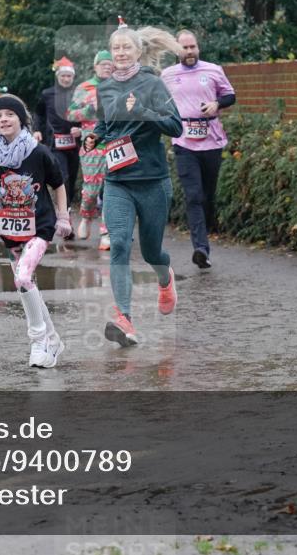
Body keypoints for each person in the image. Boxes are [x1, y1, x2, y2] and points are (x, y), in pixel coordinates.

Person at [83, 19, 183, 347]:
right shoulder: (106, 88)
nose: (121, 52)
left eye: (126, 47)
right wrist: (94, 137)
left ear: (138, 51)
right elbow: (106, 127)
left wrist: (142, 111)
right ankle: (124, 319)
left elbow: (176, 126)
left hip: (152, 180)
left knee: (152, 251)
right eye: (116, 48)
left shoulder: (152, 84)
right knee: (120, 245)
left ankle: (165, 279)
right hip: (118, 181)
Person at [0, 94, 72, 368]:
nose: (3, 119)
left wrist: (63, 217)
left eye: (10, 114)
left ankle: (38, 341)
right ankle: (53, 340)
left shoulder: (38, 151)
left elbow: (59, 184)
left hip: (39, 227)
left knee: (22, 278)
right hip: (10, 231)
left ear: (21, 119)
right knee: (27, 284)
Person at [161, 30, 236, 269]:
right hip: (184, 142)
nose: (190, 51)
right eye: (185, 48)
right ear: (177, 51)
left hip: (212, 139)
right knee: (193, 195)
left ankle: (207, 229)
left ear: (198, 48)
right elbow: (159, 102)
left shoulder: (213, 70)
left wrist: (216, 103)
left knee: (207, 195)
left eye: (192, 47)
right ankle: (201, 249)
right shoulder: (167, 75)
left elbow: (230, 95)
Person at [66, 50, 115, 249]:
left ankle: (106, 231)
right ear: (95, 67)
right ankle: (86, 216)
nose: (107, 67)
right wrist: (90, 110)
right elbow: (71, 114)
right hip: (92, 142)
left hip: (115, 142)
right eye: (103, 64)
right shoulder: (84, 87)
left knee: (112, 187)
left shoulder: (119, 86)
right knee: (92, 189)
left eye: (110, 64)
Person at [35, 57, 82, 241]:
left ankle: (65, 211)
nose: (66, 79)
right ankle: (66, 219)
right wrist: (37, 130)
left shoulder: (79, 93)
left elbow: (88, 115)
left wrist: (81, 128)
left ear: (73, 77)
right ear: (58, 76)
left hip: (74, 144)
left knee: (72, 180)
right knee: (64, 178)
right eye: (63, 76)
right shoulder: (47, 94)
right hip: (55, 143)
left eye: (69, 76)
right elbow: (39, 113)